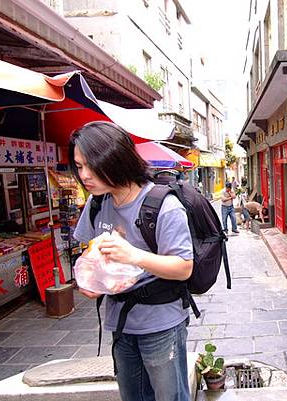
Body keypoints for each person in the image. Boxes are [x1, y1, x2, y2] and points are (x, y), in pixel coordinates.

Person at [69, 121, 193, 401]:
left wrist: (133, 255)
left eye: (92, 165)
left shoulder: (163, 205)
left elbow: (184, 267)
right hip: (120, 322)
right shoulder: (98, 202)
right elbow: (89, 252)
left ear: (116, 160)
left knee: (169, 397)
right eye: (78, 166)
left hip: (161, 322)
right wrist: (90, 280)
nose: (84, 175)